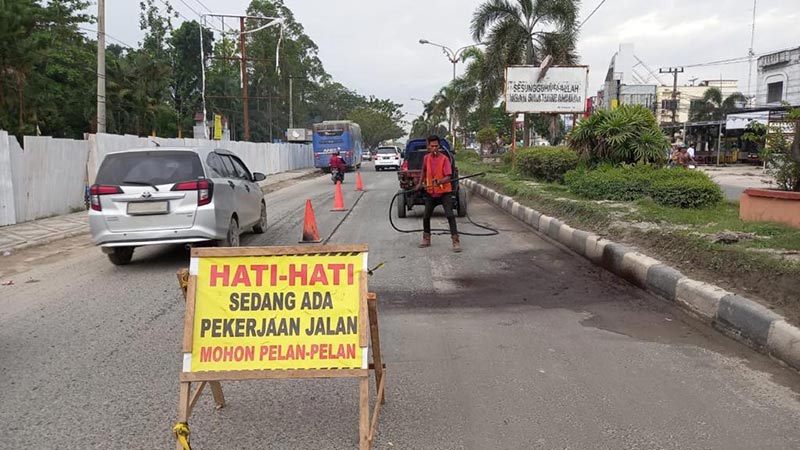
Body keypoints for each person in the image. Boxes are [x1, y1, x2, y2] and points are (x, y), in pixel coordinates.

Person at [415, 135, 461, 252]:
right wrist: (420, 183)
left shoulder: (444, 159)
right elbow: (423, 171)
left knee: (450, 215)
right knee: (426, 216)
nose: (434, 148)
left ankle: (455, 241)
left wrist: (440, 181)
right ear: (428, 146)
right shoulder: (426, 158)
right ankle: (426, 238)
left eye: (436, 146)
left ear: (439, 146)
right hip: (431, 192)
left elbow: (448, 176)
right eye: (432, 146)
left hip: (444, 192)